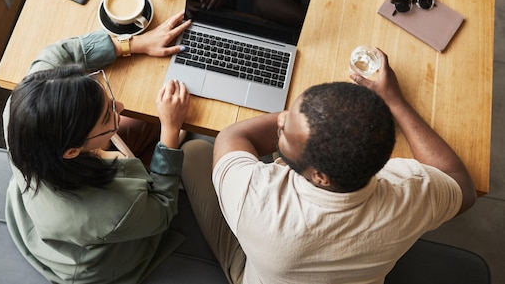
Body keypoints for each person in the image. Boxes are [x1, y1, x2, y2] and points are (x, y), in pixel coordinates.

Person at [179, 48, 476, 284]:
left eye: (285, 129)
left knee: (193, 151)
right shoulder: (410, 192)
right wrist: (394, 101)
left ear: (319, 176)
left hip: (256, 267)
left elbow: (234, 136)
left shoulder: (255, 198)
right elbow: (461, 185)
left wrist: (300, 120)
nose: (280, 119)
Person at [3, 11, 194, 284]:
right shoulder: (112, 210)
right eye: (108, 116)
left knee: (148, 122)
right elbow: (163, 209)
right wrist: (171, 130)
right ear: (71, 151)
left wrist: (137, 43)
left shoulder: (23, 106)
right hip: (94, 254)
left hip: (40, 209)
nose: (120, 107)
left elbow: (57, 52)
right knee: (176, 135)